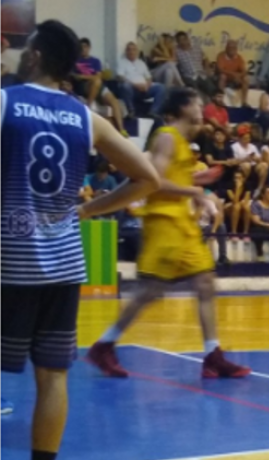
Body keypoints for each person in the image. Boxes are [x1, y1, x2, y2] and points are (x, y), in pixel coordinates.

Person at [1, 20, 160, 460]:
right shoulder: (87, 118)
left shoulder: (5, 101)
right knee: (53, 377)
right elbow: (148, 178)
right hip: (65, 264)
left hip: (10, 260)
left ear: (35, 56)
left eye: (24, 50)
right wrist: (88, 210)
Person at [87, 86, 251, 378]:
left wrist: (196, 179)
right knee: (151, 291)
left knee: (205, 283)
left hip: (182, 223)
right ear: (183, 107)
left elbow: (172, 178)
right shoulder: (166, 137)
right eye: (197, 103)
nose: (201, 108)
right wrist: (194, 190)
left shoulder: (182, 143)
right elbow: (153, 182)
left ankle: (213, 355)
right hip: (163, 221)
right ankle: (105, 344)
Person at [116, 41, 166, 117]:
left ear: (137, 52)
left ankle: (153, 112)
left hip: (144, 88)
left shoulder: (141, 63)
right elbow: (120, 77)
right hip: (132, 89)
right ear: (126, 52)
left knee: (161, 87)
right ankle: (131, 111)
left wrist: (147, 86)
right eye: (129, 50)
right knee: (125, 86)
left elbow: (149, 77)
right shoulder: (122, 62)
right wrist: (136, 85)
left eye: (134, 49)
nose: (131, 52)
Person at [215, 39, 249, 107]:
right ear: (226, 48)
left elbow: (244, 71)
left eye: (234, 48)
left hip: (234, 79)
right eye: (230, 47)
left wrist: (239, 76)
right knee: (223, 76)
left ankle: (244, 102)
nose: (232, 49)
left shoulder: (238, 57)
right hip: (224, 77)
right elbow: (220, 70)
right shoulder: (221, 56)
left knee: (246, 79)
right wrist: (233, 74)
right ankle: (221, 101)